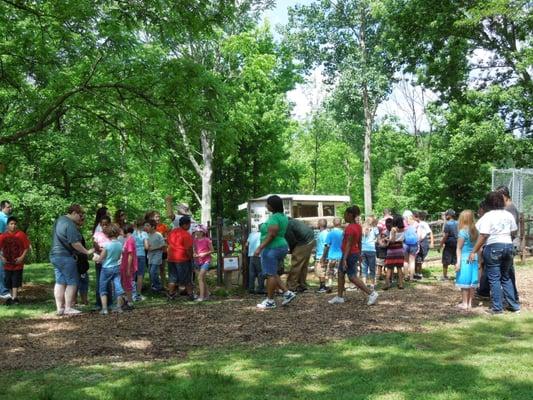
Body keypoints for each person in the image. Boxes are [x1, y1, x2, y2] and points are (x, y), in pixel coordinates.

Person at [469, 191, 520, 314]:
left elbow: (483, 234)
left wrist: (474, 251)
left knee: (494, 278)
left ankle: (497, 308)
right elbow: (514, 230)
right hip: (508, 245)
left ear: (488, 203)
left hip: (493, 247)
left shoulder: (488, 216)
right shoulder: (508, 215)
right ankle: (514, 305)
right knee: (506, 277)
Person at [328, 206, 379, 305]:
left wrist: (345, 259)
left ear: (350, 215)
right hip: (354, 253)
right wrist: (359, 253)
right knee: (340, 273)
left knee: (352, 277)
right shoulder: (358, 227)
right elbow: (359, 242)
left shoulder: (350, 228)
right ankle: (339, 297)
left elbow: (348, 244)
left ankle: (371, 293)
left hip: (349, 254)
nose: (344, 216)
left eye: (345, 214)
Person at [50, 204, 93, 316]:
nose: (81, 218)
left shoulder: (59, 220)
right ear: (74, 213)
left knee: (60, 282)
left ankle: (60, 308)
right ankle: (68, 308)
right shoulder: (69, 224)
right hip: (65, 256)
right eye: (80, 215)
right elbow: (75, 243)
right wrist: (87, 252)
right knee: (72, 281)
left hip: (55, 255)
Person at [254, 195, 295, 309]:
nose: (266, 205)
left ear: (272, 205)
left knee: (270, 275)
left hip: (272, 248)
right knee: (273, 272)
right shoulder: (283, 217)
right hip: (281, 246)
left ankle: (270, 301)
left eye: (267, 203)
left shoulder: (274, 218)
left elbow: (272, 234)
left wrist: (260, 247)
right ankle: (287, 293)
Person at [94, 223, 126, 315]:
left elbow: (101, 258)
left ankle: (104, 309)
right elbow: (119, 256)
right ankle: (119, 308)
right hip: (116, 267)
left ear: (107, 234)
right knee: (118, 286)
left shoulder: (107, 245)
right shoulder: (120, 244)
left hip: (106, 268)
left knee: (102, 288)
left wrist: (97, 259)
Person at [495, 185, 519, 300]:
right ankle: (510, 297)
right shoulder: (507, 207)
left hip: (508, 244)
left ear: (504, 196)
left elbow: (512, 230)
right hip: (506, 243)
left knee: (507, 274)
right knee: (507, 273)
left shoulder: (510, 208)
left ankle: (511, 297)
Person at [0, 217, 30, 305]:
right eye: (11, 224)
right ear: (7, 225)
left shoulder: (21, 235)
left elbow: (26, 247)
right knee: (8, 280)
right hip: (7, 263)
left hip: (18, 263)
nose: (13, 226)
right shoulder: (3, 236)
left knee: (16, 279)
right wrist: (2, 257)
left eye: (15, 224)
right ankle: (10, 297)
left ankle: (15, 297)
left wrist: (21, 257)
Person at [454, 210, 480, 310]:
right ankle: (470, 303)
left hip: (465, 259)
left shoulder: (463, 232)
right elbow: (478, 248)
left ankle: (464, 303)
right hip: (474, 258)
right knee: (472, 282)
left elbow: (459, 248)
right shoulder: (475, 231)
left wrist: (458, 262)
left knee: (464, 282)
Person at [167, 216, 194, 300]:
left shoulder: (172, 232)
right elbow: (188, 248)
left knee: (172, 278)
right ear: (185, 224)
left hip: (171, 257)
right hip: (182, 259)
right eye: (189, 224)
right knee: (187, 277)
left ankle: (171, 294)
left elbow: (168, 242)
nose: (190, 226)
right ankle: (190, 295)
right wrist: (191, 257)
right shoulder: (186, 234)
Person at [285, 218, 316, 292]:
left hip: (304, 242)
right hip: (310, 240)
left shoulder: (287, 225)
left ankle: (291, 286)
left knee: (296, 264)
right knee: (303, 265)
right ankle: (301, 284)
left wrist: (292, 251)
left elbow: (291, 240)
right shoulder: (293, 221)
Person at [93, 215, 111, 309]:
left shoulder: (112, 236)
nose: (104, 226)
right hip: (100, 261)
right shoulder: (97, 234)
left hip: (109, 262)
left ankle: (110, 302)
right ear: (100, 225)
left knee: (108, 282)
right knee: (99, 281)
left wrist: (104, 249)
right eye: (102, 224)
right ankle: (98, 303)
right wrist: (101, 249)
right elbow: (95, 245)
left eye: (106, 224)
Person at [383, 215, 405, 290]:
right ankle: (401, 284)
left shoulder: (393, 229)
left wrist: (386, 239)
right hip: (400, 249)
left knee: (389, 267)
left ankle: (387, 284)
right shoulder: (403, 229)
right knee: (399, 268)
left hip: (392, 250)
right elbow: (402, 239)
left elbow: (392, 240)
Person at [192, 224, 213, 301]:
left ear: (202, 232)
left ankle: (201, 297)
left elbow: (212, 250)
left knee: (200, 277)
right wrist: (194, 254)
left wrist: (204, 253)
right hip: (197, 261)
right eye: (196, 231)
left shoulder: (207, 240)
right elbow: (194, 249)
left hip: (206, 261)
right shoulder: (195, 240)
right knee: (203, 279)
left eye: (198, 231)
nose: (196, 232)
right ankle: (207, 295)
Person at [322, 218, 344, 288]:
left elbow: (326, 245)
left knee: (330, 271)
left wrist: (323, 256)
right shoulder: (343, 233)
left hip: (331, 256)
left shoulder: (330, 233)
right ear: (340, 224)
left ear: (333, 224)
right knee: (340, 272)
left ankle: (330, 285)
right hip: (341, 256)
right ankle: (341, 286)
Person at [120, 223, 137, 310]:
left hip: (127, 266)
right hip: (124, 264)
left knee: (127, 284)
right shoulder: (128, 240)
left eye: (122, 231)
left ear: (126, 231)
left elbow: (130, 255)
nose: (121, 232)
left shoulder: (130, 240)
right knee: (124, 283)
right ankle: (126, 300)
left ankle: (130, 303)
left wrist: (128, 268)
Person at [146, 219, 165, 293]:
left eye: (148, 225)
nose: (146, 227)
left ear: (153, 227)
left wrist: (153, 248)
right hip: (149, 256)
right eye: (145, 225)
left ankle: (158, 286)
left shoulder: (158, 235)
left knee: (153, 271)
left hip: (157, 255)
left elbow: (163, 246)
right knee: (151, 272)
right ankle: (154, 287)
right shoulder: (146, 235)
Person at [75, 213, 90, 306]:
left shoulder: (78, 232)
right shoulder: (73, 232)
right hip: (77, 259)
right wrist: (86, 252)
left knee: (83, 279)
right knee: (78, 280)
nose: (82, 222)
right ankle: (75, 300)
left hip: (82, 259)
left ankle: (84, 300)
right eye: (81, 220)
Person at [0, 200, 14, 300]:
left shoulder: (8, 218)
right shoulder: (1, 218)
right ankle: (4, 292)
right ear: (2, 207)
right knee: (2, 270)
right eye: (8, 207)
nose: (10, 208)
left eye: (10, 207)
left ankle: (5, 290)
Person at [132, 218, 149, 301]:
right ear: (142, 225)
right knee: (140, 275)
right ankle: (138, 294)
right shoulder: (144, 234)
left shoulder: (132, 233)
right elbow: (146, 246)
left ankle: (132, 294)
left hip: (133, 256)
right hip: (141, 255)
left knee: (133, 275)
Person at [414, 211, 433, 280]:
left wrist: (432, 242)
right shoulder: (416, 224)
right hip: (417, 242)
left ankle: (418, 273)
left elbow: (430, 232)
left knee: (419, 259)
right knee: (417, 258)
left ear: (418, 217)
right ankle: (416, 272)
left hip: (423, 242)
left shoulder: (423, 223)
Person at [439, 209, 458, 281]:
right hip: (457, 244)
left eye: (446, 215)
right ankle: (457, 276)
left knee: (445, 260)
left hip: (449, 244)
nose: (445, 216)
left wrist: (440, 245)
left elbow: (445, 236)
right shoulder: (458, 223)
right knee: (456, 259)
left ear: (449, 216)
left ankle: (445, 276)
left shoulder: (448, 224)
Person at [360, 216, 378, 288]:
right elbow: (377, 238)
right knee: (372, 267)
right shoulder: (375, 229)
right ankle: (372, 284)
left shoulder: (362, 228)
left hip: (363, 249)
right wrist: (375, 240)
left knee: (364, 267)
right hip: (371, 249)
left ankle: (364, 284)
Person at [246, 227, 264, 294]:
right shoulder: (262, 234)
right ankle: (260, 288)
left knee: (252, 272)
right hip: (259, 255)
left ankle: (251, 288)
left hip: (251, 255)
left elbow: (246, 244)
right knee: (260, 272)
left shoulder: (251, 234)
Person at [314, 219, 330, 293]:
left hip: (321, 256)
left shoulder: (324, 234)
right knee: (320, 272)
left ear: (320, 225)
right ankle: (322, 286)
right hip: (320, 255)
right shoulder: (322, 233)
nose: (317, 225)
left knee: (321, 272)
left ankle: (323, 287)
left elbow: (326, 246)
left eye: (318, 223)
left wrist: (323, 257)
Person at [403, 212, 419, 281]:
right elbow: (419, 235)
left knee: (405, 261)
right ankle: (411, 277)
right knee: (412, 261)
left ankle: (406, 276)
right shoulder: (416, 224)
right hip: (414, 244)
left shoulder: (404, 224)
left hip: (405, 244)